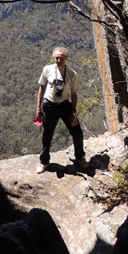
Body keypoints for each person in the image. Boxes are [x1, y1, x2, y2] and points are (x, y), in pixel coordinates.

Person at [36, 46, 89, 174]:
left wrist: (74, 112)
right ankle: (44, 162)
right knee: (47, 135)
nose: (58, 60)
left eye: (61, 57)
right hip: (49, 106)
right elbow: (42, 88)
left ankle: (80, 158)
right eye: (56, 58)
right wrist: (38, 107)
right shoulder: (47, 69)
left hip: (65, 105)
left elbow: (74, 94)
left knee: (77, 132)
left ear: (66, 58)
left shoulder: (71, 74)